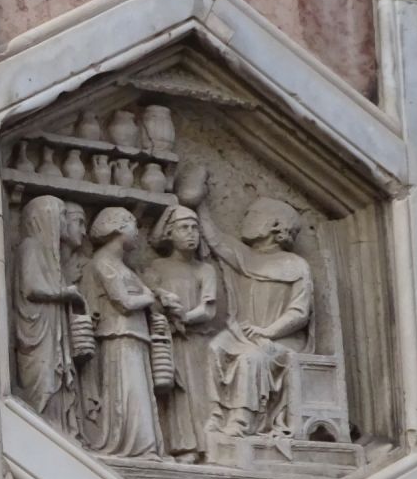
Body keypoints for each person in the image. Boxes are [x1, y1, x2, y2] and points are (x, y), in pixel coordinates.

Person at [199, 196, 313, 437]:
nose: (245, 219)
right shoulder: (245, 255)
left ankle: (241, 421)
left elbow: (299, 312)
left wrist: (269, 331)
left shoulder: (296, 265)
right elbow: (215, 239)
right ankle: (217, 414)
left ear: (274, 225)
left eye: (252, 214)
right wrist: (199, 203)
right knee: (215, 347)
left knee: (251, 359)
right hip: (244, 334)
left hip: (281, 340)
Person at [82, 206, 171, 458]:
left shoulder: (123, 266)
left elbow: (146, 297)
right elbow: (125, 302)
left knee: (139, 390)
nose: (137, 232)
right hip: (118, 334)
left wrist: (158, 296)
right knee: (130, 392)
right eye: (133, 225)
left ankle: (146, 446)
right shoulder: (103, 262)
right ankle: (138, 447)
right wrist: (147, 296)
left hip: (135, 334)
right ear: (118, 228)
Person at [144, 205, 218, 460]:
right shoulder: (156, 267)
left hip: (197, 341)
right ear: (169, 233)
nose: (191, 233)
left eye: (195, 228)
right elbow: (148, 299)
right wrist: (161, 303)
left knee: (201, 393)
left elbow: (208, 310)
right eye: (184, 228)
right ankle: (183, 447)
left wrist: (184, 316)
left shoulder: (205, 270)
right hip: (169, 341)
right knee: (176, 393)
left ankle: (207, 447)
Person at [12, 196, 83, 435]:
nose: (66, 222)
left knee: (58, 374)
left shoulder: (51, 256)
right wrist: (64, 293)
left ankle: (60, 427)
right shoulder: (30, 246)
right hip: (37, 329)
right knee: (43, 379)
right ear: (46, 217)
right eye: (62, 215)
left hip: (52, 326)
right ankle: (46, 427)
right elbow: (31, 288)